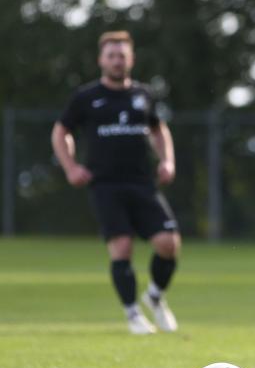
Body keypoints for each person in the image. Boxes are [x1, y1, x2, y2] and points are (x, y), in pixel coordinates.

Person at [51, 31, 180, 335]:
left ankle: (154, 297)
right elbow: (61, 132)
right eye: (111, 55)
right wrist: (71, 167)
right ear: (101, 60)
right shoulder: (86, 97)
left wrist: (167, 161)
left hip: (142, 182)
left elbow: (159, 130)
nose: (117, 60)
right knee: (121, 247)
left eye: (122, 55)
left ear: (130, 59)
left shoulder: (143, 94)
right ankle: (133, 313)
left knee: (168, 244)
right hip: (105, 185)